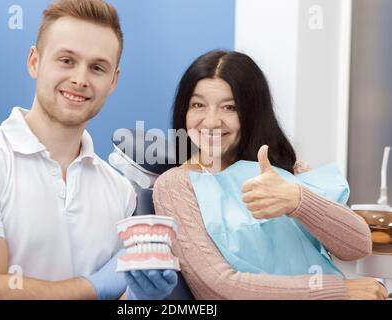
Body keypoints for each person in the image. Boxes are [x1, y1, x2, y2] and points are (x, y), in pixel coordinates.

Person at [0, 0, 176, 300]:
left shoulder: (119, 190)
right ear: (34, 61)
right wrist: (95, 287)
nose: (80, 79)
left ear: (113, 80)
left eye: (97, 67)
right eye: (66, 60)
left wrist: (137, 300)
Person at [153, 50, 388, 300]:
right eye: (198, 105)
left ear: (253, 112)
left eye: (229, 107)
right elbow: (217, 288)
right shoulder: (175, 186)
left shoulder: (286, 171)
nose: (211, 121)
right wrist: (336, 292)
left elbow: (356, 246)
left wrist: (298, 201)